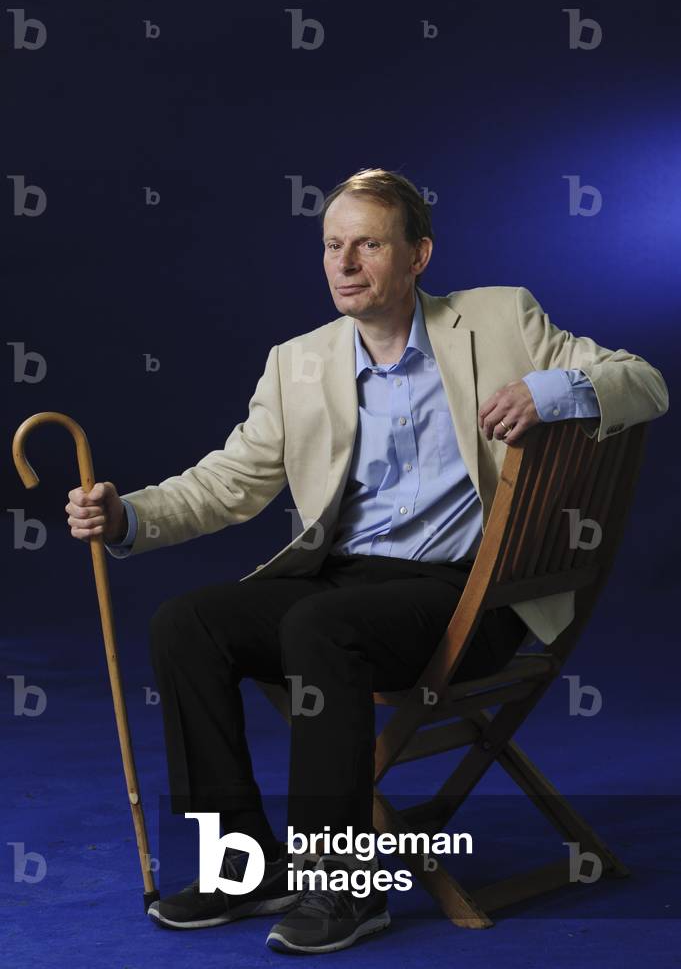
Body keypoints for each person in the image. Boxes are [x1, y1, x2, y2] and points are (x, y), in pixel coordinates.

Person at [65, 168, 669, 955]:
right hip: (344, 582)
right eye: (332, 245)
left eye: (368, 245)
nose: (344, 263)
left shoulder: (499, 317)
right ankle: (240, 865)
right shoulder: (298, 361)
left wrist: (549, 391)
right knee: (188, 623)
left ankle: (343, 887)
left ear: (418, 254)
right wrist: (128, 514)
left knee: (321, 626)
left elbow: (644, 382)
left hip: (468, 596)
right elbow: (231, 480)